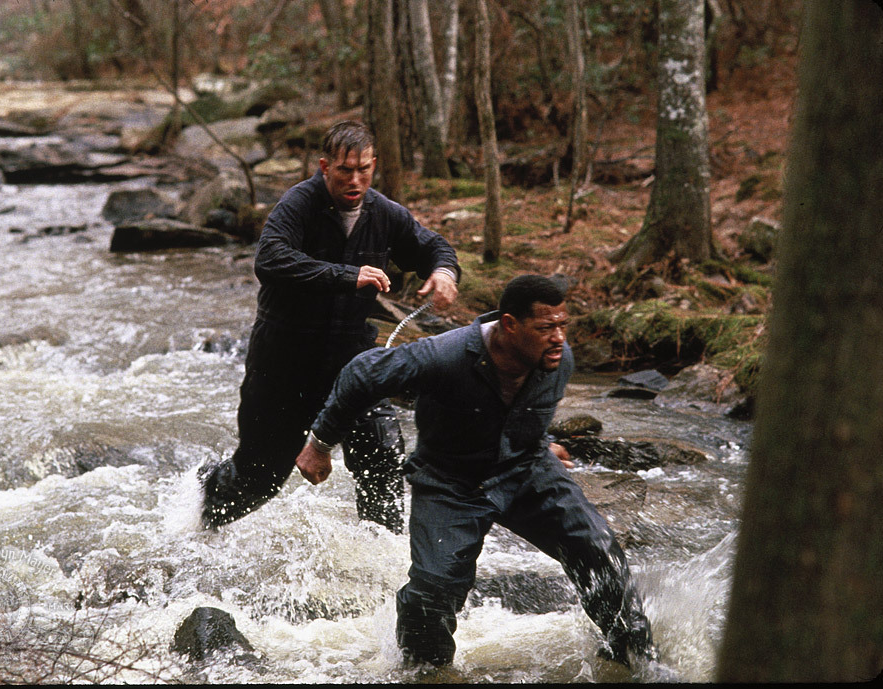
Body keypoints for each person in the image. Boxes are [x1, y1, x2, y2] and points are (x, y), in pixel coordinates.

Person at [295, 274, 658, 668]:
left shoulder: (558, 360)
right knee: (432, 591)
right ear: (509, 325)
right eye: (545, 328)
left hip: (527, 469)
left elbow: (524, 414)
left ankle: (635, 659)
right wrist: (320, 445)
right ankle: (425, 672)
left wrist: (535, 439)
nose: (558, 338)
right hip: (449, 482)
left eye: (562, 326)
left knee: (600, 552)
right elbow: (363, 373)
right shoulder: (444, 355)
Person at [200, 120, 460, 534]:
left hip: (352, 364)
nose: (355, 180)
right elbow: (270, 260)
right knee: (259, 479)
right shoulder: (298, 205)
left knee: (383, 457)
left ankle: (381, 565)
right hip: (283, 365)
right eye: (345, 170)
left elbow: (432, 246)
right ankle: (198, 514)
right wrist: (345, 275)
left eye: (365, 169)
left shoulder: (386, 214)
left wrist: (444, 272)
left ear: (375, 165)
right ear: (325, 166)